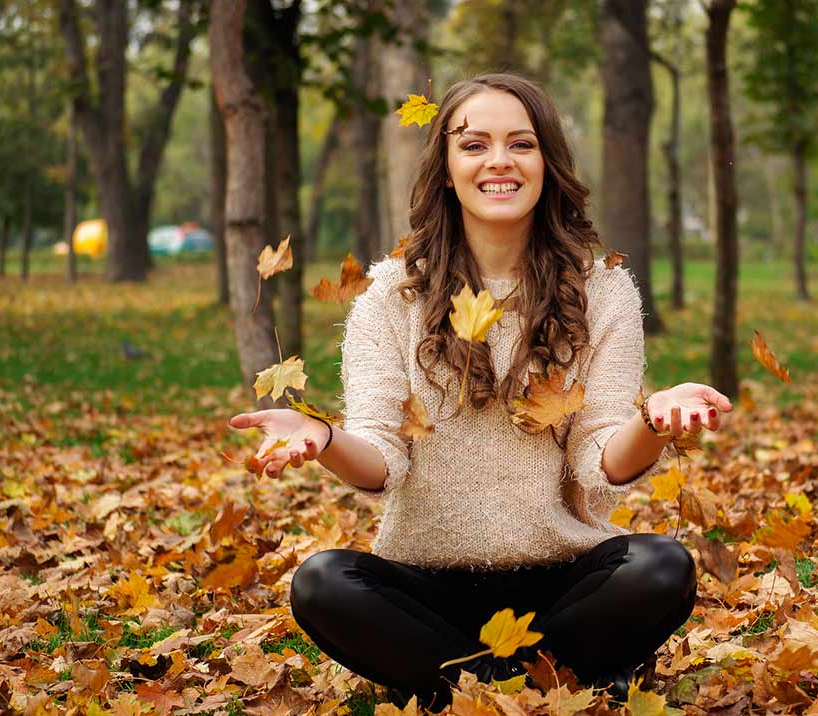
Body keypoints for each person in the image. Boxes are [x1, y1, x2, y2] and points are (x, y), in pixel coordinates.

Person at [229, 73, 732, 710]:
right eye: (474, 145)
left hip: (562, 586)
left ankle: (475, 691)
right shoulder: (390, 296)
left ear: (546, 163)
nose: (499, 161)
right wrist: (324, 437)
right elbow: (382, 460)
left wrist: (653, 422)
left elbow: (602, 461)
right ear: (444, 168)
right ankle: (530, 689)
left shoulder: (602, 292)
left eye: (521, 144)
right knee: (323, 582)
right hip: (428, 590)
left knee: (661, 568)